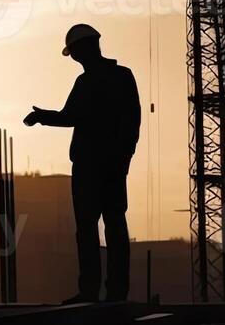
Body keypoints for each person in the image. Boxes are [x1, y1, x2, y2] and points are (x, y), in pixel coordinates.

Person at [24, 23, 140, 303]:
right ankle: (116, 291)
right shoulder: (121, 77)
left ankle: (91, 290)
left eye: (75, 52)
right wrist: (125, 156)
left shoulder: (88, 82)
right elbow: (132, 121)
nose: (75, 57)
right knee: (114, 225)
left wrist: (43, 117)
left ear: (81, 50)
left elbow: (70, 117)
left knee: (89, 228)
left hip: (90, 167)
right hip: (112, 165)